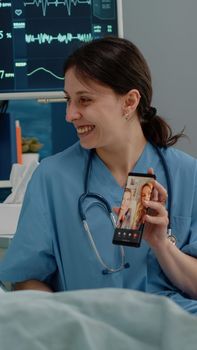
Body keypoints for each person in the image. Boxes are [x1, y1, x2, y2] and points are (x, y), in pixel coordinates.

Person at [0, 36, 197, 314]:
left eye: (85, 100)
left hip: (175, 333)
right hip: (91, 335)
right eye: (69, 100)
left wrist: (162, 245)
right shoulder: (53, 178)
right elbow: (26, 279)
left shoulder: (188, 174)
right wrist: (67, 328)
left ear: (129, 102)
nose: (70, 114)